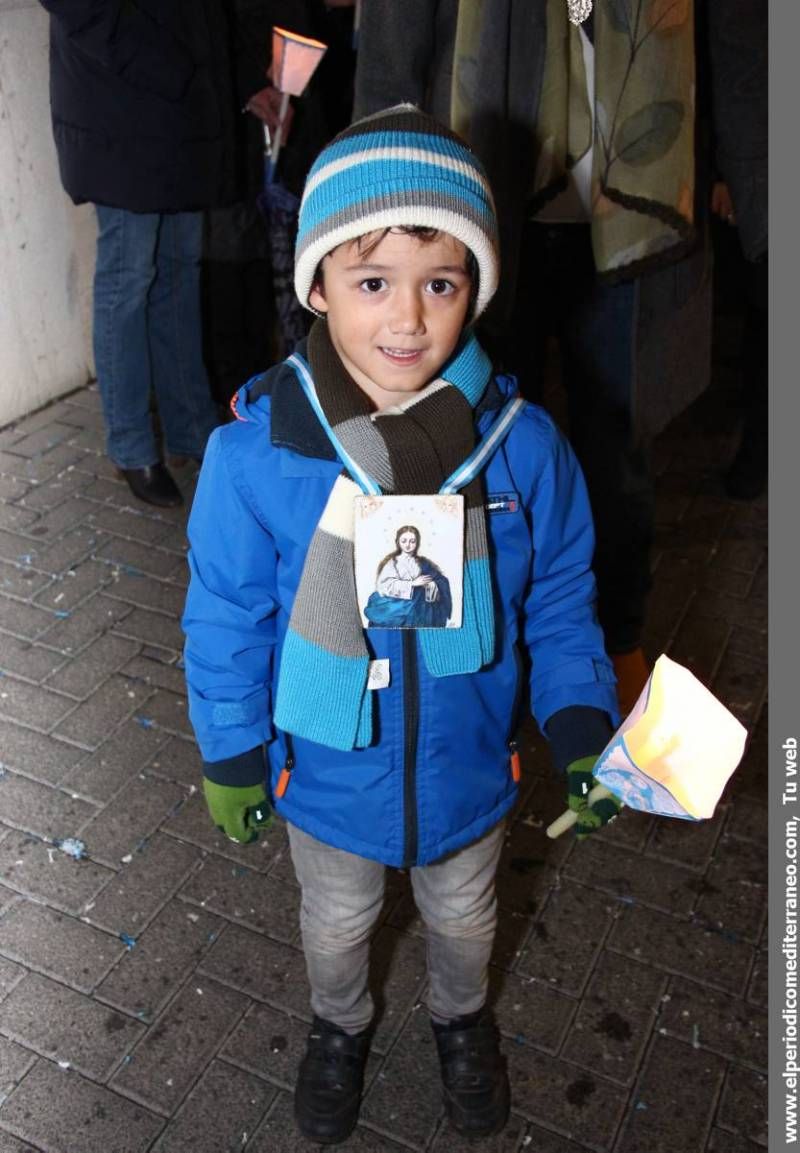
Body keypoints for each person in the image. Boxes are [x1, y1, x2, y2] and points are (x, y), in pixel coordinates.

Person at [182, 106, 621, 1145]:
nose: (409, 318)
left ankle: (460, 1019)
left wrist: (578, 721)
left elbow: (560, 595)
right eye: (372, 280)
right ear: (318, 285)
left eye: (443, 280)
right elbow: (227, 614)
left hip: (469, 772)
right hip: (326, 778)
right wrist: (232, 748)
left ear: (477, 288)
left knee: (467, 919)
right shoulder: (256, 454)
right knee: (336, 927)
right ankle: (340, 1025)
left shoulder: (523, 449)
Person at [354, 2, 714, 715]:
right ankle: (485, 645)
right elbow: (393, 55)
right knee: (474, 444)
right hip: (481, 217)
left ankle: (617, 638)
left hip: (627, 222)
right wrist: (379, 210)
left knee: (619, 446)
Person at [39, 1, 257, 507]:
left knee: (180, 270)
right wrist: (159, 62)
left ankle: (191, 429)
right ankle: (131, 445)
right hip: (121, 100)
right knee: (128, 278)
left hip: (182, 105)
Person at [364, 525, 452, 628]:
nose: (408, 545)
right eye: (404, 541)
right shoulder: (393, 562)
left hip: (420, 605)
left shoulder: (423, 563)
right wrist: (412, 584)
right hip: (397, 604)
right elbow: (384, 585)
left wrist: (432, 584)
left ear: (417, 542)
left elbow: (440, 579)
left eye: (412, 541)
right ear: (398, 542)